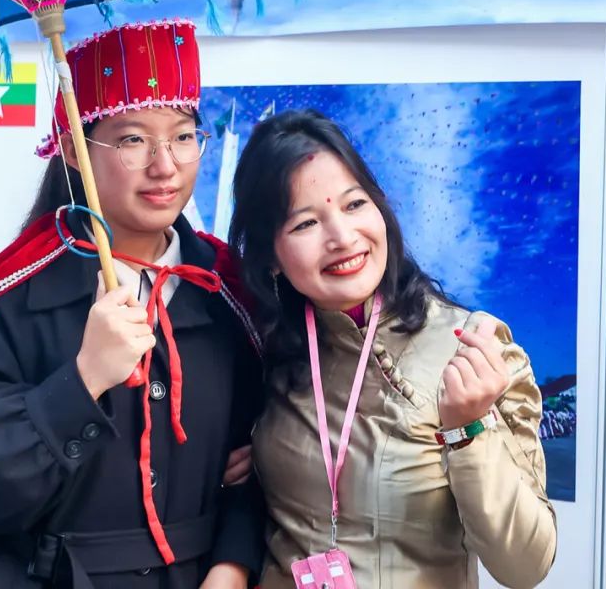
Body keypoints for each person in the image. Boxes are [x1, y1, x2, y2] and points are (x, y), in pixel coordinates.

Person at [0, 19, 264, 589]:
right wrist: (84, 378)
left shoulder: (228, 292)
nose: (165, 165)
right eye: (132, 140)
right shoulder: (11, 298)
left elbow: (269, 458)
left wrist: (233, 563)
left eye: (183, 135)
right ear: (74, 150)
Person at [228, 109, 557, 589]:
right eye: (306, 223)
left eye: (354, 204)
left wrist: (468, 429)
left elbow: (525, 566)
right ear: (270, 257)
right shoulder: (265, 348)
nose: (343, 238)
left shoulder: (473, 347)